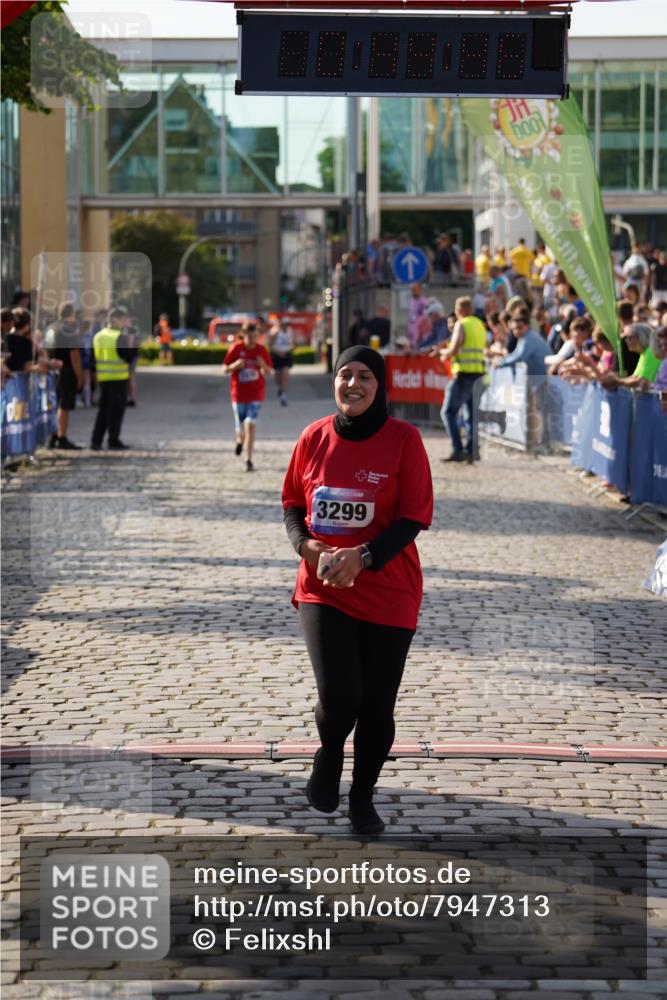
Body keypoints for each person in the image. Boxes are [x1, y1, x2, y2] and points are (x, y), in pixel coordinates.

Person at [282, 346, 433, 835]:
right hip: (324, 587)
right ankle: (329, 754)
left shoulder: (405, 440)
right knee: (341, 695)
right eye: (345, 375)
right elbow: (291, 505)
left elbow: (413, 517)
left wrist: (362, 557)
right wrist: (309, 549)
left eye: (365, 376)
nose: (353, 384)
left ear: (380, 385)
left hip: (389, 588)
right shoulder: (313, 437)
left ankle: (363, 797)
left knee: (376, 706)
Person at [438, 296, 487, 464]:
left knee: (448, 412)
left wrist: (444, 354)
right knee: (471, 416)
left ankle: (458, 450)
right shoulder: (479, 324)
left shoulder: (462, 324)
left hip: (463, 375)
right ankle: (471, 451)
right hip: (479, 375)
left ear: (459, 310)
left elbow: (456, 347)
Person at [493, 307, 551, 448]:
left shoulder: (529, 339)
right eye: (514, 328)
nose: (516, 331)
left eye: (519, 327)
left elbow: (519, 356)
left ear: (527, 326)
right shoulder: (525, 338)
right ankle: (541, 442)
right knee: (540, 410)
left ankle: (545, 443)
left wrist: (501, 363)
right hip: (538, 378)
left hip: (543, 378)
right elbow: (517, 355)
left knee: (543, 411)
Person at [221, 320, 272, 471]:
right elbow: (224, 369)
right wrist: (234, 366)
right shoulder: (236, 348)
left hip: (256, 393)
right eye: (249, 337)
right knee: (241, 429)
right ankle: (239, 441)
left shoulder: (261, 350)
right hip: (238, 394)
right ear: (243, 336)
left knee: (250, 424)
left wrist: (262, 364)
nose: (252, 340)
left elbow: (269, 372)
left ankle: (248, 460)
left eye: (255, 336)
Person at [90, 306, 138, 451]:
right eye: (123, 319)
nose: (125, 322)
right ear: (115, 320)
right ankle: (113, 440)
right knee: (116, 411)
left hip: (103, 377)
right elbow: (128, 357)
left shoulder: (98, 335)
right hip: (118, 377)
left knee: (103, 410)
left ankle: (96, 440)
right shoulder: (119, 336)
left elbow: (94, 357)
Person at [44, 302, 83, 450]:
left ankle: (53, 436)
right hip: (66, 371)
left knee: (54, 405)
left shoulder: (50, 328)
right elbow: (74, 356)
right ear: (71, 314)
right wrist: (80, 376)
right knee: (63, 406)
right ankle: (62, 437)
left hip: (52, 370)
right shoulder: (69, 330)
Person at [601, 322, 661, 391]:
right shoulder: (644, 353)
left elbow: (640, 380)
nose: (626, 340)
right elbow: (635, 377)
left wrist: (617, 381)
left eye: (630, 337)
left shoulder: (651, 352)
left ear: (641, 337)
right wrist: (617, 380)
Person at [268, 318, 294, 406]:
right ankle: (280, 388)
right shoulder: (275, 332)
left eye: (288, 324)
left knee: (285, 375)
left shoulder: (290, 331)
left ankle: (284, 395)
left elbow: (292, 343)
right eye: (285, 324)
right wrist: (278, 352)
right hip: (277, 355)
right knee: (278, 376)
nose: (286, 326)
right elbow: (270, 345)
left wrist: (290, 349)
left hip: (286, 355)